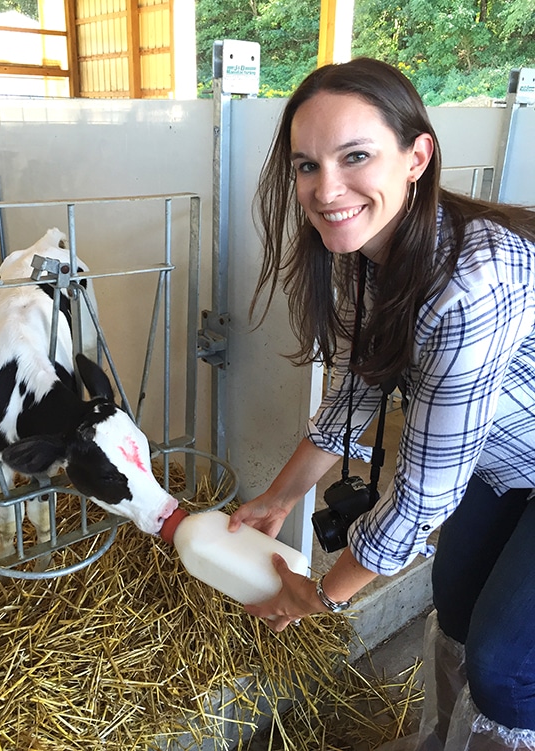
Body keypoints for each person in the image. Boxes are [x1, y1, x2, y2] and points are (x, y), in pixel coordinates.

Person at [227, 57, 535, 750]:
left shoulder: (474, 280)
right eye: (307, 165)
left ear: (416, 155)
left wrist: (321, 597)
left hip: (508, 457)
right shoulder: (364, 255)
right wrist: (278, 498)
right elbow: (354, 393)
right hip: (503, 460)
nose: (324, 188)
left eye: (355, 155)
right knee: (454, 606)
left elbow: (425, 492)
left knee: (504, 664)